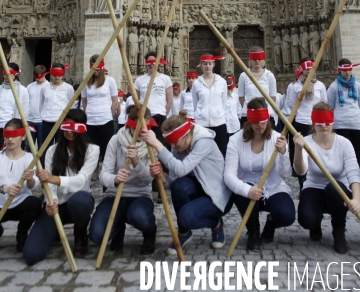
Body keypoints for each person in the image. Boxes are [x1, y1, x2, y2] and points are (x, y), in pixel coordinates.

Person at [141, 110, 232, 255]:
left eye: (174, 142)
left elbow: (182, 169)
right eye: (169, 143)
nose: (172, 147)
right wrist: (163, 177)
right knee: (179, 186)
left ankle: (216, 223)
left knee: (185, 217)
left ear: (186, 135)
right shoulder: (179, 146)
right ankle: (184, 233)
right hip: (199, 190)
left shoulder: (203, 142)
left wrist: (158, 146)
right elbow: (173, 180)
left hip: (217, 196)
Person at [23, 109, 99, 263]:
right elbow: (47, 183)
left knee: (80, 201)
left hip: (78, 201)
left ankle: (80, 233)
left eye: (74, 127)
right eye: (66, 126)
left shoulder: (92, 150)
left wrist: (54, 179)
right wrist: (52, 202)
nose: (69, 131)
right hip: (56, 204)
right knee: (31, 254)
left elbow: (81, 180)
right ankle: (55, 231)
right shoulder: (52, 150)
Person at [224, 98, 295, 250]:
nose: (260, 125)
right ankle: (253, 232)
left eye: (263, 121)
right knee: (241, 194)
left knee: (287, 215)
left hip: (273, 186)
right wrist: (247, 190)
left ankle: (271, 223)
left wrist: (283, 153)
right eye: (256, 122)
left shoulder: (277, 138)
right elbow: (228, 176)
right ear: (249, 121)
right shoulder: (235, 140)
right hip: (247, 186)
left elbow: (286, 173)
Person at [294, 102, 360, 253]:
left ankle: (339, 231)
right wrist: (298, 149)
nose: (323, 126)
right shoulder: (307, 142)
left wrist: (356, 200)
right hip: (314, 187)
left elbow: (354, 174)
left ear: (333, 122)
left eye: (327, 122)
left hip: (338, 190)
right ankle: (315, 222)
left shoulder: (344, 143)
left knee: (334, 188)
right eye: (319, 122)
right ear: (313, 123)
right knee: (307, 220)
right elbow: (300, 171)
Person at [89, 105, 157, 254]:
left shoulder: (152, 143)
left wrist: (136, 163)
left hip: (140, 195)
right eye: (137, 128)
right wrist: (115, 179)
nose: (141, 132)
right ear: (129, 125)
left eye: (145, 128)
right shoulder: (116, 141)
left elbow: (148, 180)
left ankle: (150, 233)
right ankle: (118, 226)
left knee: (140, 217)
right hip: (115, 195)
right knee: (96, 235)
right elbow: (103, 175)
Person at [0, 119, 41, 251]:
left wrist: (29, 179)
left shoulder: (29, 158)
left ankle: (22, 233)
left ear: (23, 136)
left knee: (34, 203)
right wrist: (4, 188)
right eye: (7, 135)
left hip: (20, 203)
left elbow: (33, 185)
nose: (10, 139)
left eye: (14, 135)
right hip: (1, 205)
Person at [287, 58, 327, 184]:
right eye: (307, 71)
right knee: (302, 151)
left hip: (317, 122)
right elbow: (291, 103)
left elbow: (324, 103)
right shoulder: (296, 86)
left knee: (318, 149)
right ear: (302, 72)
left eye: (312, 70)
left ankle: (318, 177)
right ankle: (302, 181)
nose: (309, 73)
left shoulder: (320, 85)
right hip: (302, 121)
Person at [327, 59, 360, 183]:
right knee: (343, 154)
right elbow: (330, 106)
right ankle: (344, 181)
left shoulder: (358, 86)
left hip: (356, 124)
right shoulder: (333, 87)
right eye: (344, 70)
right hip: (341, 124)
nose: (347, 72)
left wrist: (359, 118)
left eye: (349, 69)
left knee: (358, 154)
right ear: (340, 70)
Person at [128, 51, 173, 144]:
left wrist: (163, 112)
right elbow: (136, 99)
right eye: (149, 62)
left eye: (153, 62)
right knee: (144, 143)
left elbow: (169, 101)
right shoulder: (140, 80)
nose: (151, 65)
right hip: (144, 117)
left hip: (159, 116)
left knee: (159, 144)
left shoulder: (165, 79)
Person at [81, 55, 118, 164]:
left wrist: (109, 115)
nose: (95, 71)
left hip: (105, 119)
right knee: (91, 148)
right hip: (90, 120)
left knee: (106, 147)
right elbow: (84, 101)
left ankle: (105, 169)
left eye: (97, 68)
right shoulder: (86, 82)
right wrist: (87, 113)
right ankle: (94, 169)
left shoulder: (110, 80)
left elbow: (115, 101)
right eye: (93, 68)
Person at [191, 53, 228, 157]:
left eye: (209, 63)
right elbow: (195, 103)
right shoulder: (197, 83)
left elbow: (224, 102)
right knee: (203, 153)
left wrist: (219, 113)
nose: (207, 66)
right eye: (205, 64)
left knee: (221, 152)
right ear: (201, 65)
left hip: (219, 122)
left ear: (213, 65)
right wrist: (200, 114)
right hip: (202, 124)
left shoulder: (221, 82)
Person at [40, 63, 74, 163]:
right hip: (47, 121)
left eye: (59, 74)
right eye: (55, 74)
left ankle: (60, 168)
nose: (57, 77)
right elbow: (41, 104)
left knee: (61, 146)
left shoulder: (68, 88)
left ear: (63, 74)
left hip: (61, 122)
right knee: (45, 147)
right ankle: (44, 169)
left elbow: (71, 105)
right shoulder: (44, 87)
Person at [238, 47, 277, 128]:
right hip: (248, 113)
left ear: (263, 60)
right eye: (254, 59)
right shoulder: (244, 75)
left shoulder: (269, 75)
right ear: (250, 60)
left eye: (259, 59)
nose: (257, 61)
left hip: (266, 113)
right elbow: (241, 97)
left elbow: (273, 97)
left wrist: (263, 108)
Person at [0, 63, 29, 149]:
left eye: (10, 72)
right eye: (5, 72)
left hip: (13, 127)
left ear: (16, 73)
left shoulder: (23, 90)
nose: (7, 75)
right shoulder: (0, 88)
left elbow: (25, 112)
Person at [26, 65, 49, 150]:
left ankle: (41, 163)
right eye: (35, 77)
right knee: (27, 146)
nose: (37, 79)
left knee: (42, 146)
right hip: (30, 120)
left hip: (42, 121)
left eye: (39, 77)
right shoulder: (29, 86)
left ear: (44, 74)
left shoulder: (48, 86)